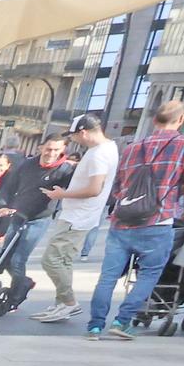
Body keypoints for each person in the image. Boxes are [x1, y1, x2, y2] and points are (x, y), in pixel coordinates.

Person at [84, 99, 184, 340]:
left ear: (154, 120)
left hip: (122, 220)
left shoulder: (133, 147)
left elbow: (118, 187)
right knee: (149, 273)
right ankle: (122, 320)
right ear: (181, 120)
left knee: (108, 275)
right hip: (157, 221)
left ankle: (95, 325)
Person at [30, 115, 118, 324]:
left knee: (51, 259)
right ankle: (62, 303)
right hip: (81, 215)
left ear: (84, 132)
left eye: (75, 136)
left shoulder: (98, 155)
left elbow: (94, 188)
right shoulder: (108, 148)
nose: (75, 141)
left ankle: (69, 303)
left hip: (77, 216)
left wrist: (63, 195)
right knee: (64, 260)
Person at [0, 135, 71, 310]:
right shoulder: (27, 165)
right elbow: (9, 187)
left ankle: (14, 297)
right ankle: (24, 282)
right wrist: (4, 205)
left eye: (56, 150)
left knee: (18, 260)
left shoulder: (65, 170)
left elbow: (73, 190)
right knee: (5, 257)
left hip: (39, 219)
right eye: (48, 149)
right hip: (18, 214)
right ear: (41, 148)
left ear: (62, 151)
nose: (51, 153)